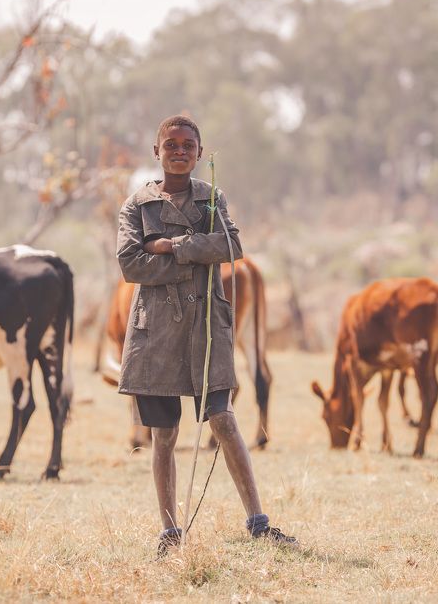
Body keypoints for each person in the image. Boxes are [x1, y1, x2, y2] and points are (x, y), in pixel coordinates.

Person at [115, 114, 297, 556]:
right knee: (163, 435)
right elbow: (131, 264)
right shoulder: (137, 205)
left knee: (224, 419)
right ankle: (170, 531)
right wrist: (196, 254)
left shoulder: (212, 198)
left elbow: (232, 247)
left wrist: (170, 246)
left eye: (188, 145)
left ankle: (258, 522)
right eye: (171, 144)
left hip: (206, 330)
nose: (179, 151)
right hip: (155, 335)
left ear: (199, 153)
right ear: (156, 151)